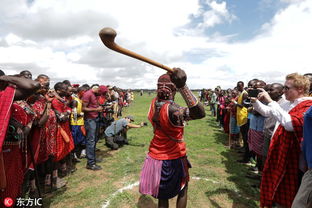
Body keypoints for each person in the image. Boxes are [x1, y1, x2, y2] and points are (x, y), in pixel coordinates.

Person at [139, 68, 205, 208]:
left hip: (154, 157)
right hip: (173, 158)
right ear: (174, 90)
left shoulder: (153, 104)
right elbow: (200, 113)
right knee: (183, 189)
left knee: (162, 197)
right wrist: (183, 86)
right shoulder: (174, 110)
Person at [251, 73, 312, 208]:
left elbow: (290, 124)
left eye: (287, 88)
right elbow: (268, 112)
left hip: (293, 161)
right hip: (282, 155)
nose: (284, 91)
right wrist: (255, 102)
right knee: (277, 190)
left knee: (287, 196)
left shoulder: (307, 105)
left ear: (300, 89)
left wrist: (271, 101)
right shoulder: (290, 103)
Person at [0, 70, 40, 206]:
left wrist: (5, 77)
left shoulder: (4, 97)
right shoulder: (3, 97)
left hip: (11, 148)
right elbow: (33, 85)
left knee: (12, 183)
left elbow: (33, 85)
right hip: (5, 150)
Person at [82, 85, 103, 171]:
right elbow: (83, 108)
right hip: (90, 120)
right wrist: (96, 110)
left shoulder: (94, 94)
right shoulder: (88, 94)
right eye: (99, 91)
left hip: (95, 119)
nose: (100, 93)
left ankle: (92, 159)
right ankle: (90, 163)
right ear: (96, 89)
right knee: (91, 141)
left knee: (93, 140)